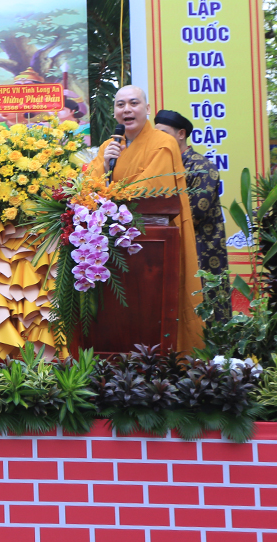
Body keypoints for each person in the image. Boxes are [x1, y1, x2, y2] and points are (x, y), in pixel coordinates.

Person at [87, 86, 202, 351]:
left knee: (150, 306)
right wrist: (104, 166)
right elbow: (87, 188)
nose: (126, 109)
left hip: (151, 243)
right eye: (120, 105)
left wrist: (109, 197)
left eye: (133, 103)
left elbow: (150, 189)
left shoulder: (163, 143)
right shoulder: (108, 147)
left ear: (147, 109)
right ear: (114, 112)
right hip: (110, 243)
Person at [154, 109, 228, 277]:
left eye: (163, 134)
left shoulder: (202, 167)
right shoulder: (162, 166)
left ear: (181, 134)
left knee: (202, 291)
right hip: (170, 244)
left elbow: (194, 214)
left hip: (201, 248)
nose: (158, 140)